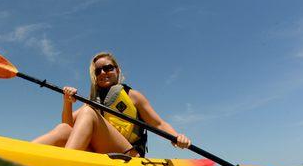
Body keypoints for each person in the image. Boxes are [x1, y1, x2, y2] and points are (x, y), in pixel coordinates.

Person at [33, 52, 191, 157]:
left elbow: (158, 123)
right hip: (104, 153)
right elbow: (67, 126)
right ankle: (19, 156)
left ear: (117, 70)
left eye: (108, 68)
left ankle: (63, 165)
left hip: (129, 155)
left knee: (88, 112)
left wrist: (176, 137)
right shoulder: (93, 102)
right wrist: (67, 102)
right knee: (63, 128)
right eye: (98, 71)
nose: (103, 73)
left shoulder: (133, 96)